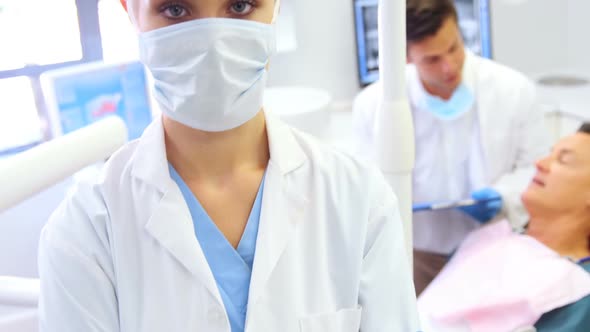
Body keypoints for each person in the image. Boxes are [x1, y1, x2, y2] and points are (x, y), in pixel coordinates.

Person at [37, 0, 419, 331]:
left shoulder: (358, 201)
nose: (213, 42)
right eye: (175, 9)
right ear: (130, 11)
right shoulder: (86, 232)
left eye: (239, 6)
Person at [352, 0, 548, 295]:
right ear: (406, 58)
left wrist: (505, 197)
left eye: (454, 48)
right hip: (418, 254)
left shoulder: (513, 90)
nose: (450, 67)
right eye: (432, 59)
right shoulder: (374, 106)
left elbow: (537, 169)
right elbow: (365, 186)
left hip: (495, 246)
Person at [418, 123, 590, 331]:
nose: (540, 163)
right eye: (549, 153)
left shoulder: (579, 295)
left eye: (564, 160)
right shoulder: (489, 241)